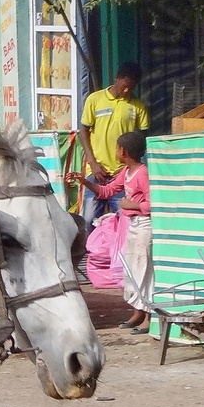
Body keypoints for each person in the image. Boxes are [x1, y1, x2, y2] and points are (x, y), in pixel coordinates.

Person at [73, 130, 153, 333]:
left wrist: (131, 205)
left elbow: (153, 205)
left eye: (117, 148)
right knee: (131, 269)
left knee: (144, 271)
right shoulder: (126, 172)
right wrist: (85, 182)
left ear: (123, 151)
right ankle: (138, 311)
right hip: (132, 227)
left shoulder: (142, 173)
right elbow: (106, 191)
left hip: (144, 227)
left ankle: (148, 316)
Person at [77, 62, 149, 222]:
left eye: (131, 88)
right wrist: (93, 163)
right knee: (89, 220)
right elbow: (83, 132)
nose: (126, 91)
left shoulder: (138, 106)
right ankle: (91, 247)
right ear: (116, 79)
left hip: (122, 175)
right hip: (96, 171)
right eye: (124, 86)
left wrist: (128, 167)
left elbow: (142, 138)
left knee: (124, 220)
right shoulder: (94, 99)